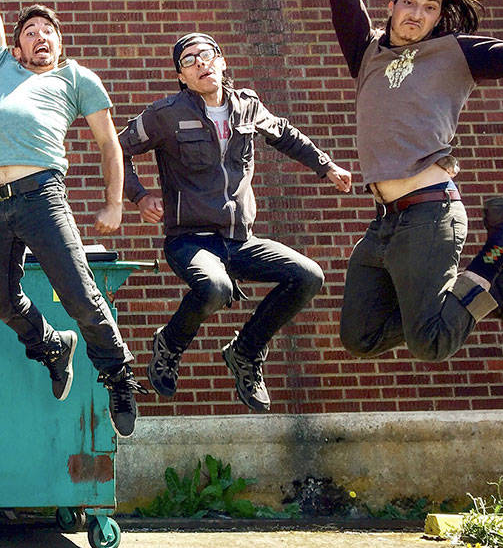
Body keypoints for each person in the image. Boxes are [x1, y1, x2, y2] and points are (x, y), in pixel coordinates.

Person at [313, 0, 503, 362]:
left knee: (431, 343)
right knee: (358, 336)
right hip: (384, 219)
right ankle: (484, 289)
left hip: (431, 213)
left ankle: (500, 257)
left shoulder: (457, 54)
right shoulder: (367, 52)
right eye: (410, 1)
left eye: (430, 8)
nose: (417, 14)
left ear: (438, 18)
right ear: (393, 3)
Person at [119, 33, 352, 411]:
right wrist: (140, 196)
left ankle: (245, 352)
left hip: (240, 240)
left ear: (221, 61)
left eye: (206, 55)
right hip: (189, 240)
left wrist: (326, 166)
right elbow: (117, 149)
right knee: (215, 287)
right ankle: (169, 345)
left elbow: (286, 135)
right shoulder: (165, 114)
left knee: (309, 276)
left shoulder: (247, 105)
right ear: (181, 76)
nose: (200, 64)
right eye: (189, 60)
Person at [0, 0, 142, 437]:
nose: (39, 36)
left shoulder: (76, 78)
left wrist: (114, 201)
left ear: (59, 43)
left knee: (81, 296)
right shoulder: (1, 68)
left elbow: (109, 144)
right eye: (30, 31)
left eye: (48, 31)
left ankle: (118, 375)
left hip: (42, 196)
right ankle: (51, 344)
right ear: (18, 45)